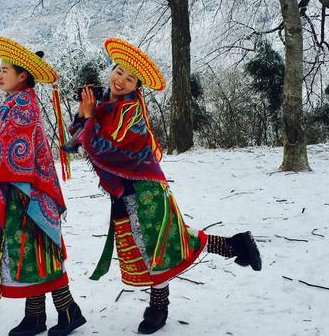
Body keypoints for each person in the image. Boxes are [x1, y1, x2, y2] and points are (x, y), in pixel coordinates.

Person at [66, 37, 261, 334]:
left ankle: (158, 307)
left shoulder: (131, 114)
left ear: (137, 87)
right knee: (168, 242)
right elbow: (82, 135)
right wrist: (84, 113)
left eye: (130, 78)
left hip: (144, 191)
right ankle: (235, 245)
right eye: (119, 71)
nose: (121, 80)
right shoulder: (105, 101)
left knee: (157, 249)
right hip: (124, 191)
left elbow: (104, 147)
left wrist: (89, 118)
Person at [0, 35, 86, 336]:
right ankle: (36, 315)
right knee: (33, 253)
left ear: (22, 76)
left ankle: (68, 311)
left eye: (5, 69)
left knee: (39, 250)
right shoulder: (18, 102)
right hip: (23, 191)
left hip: (28, 192)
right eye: (0, 69)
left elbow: (14, 155)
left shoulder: (21, 107)